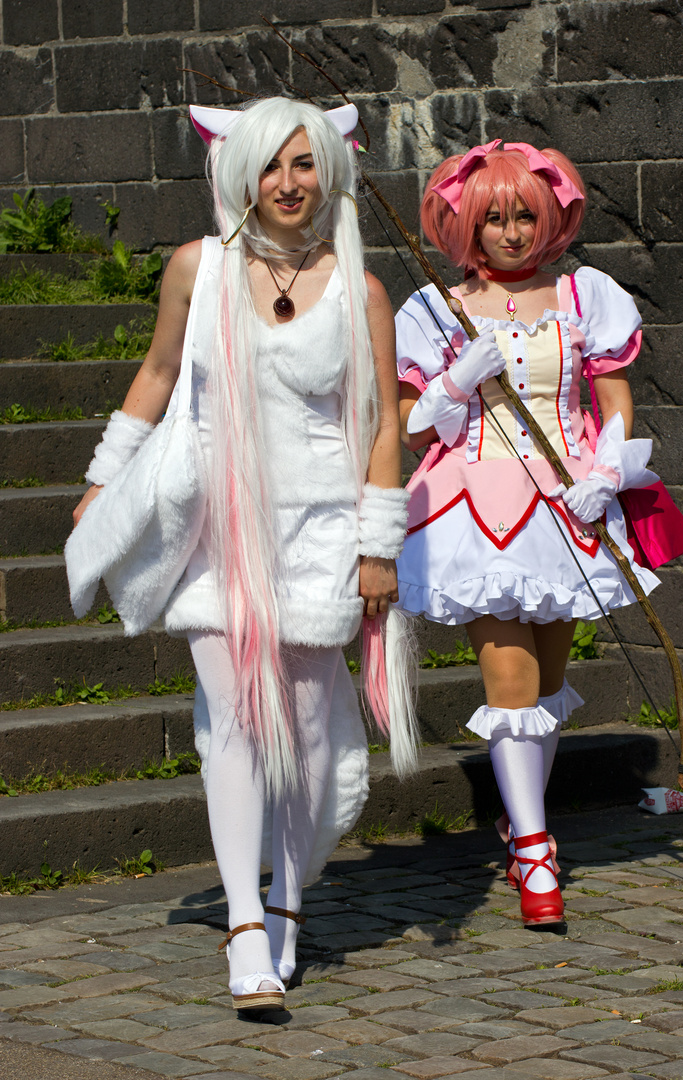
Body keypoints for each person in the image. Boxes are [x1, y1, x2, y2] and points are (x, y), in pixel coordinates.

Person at [71, 97, 416, 1008]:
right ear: (242, 173)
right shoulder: (200, 269)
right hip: (219, 530)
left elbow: (383, 423)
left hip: (319, 532)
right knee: (231, 721)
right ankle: (243, 924)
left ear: (329, 169)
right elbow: (155, 373)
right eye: (272, 165)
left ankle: (291, 904)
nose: (288, 183)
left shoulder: (361, 287)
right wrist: (106, 481)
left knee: (303, 736)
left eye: (304, 164)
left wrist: (379, 546)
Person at [394, 139, 659, 927]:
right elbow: (413, 429)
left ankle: (519, 825)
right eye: (493, 218)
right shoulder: (435, 310)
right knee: (508, 683)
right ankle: (538, 856)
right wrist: (455, 381)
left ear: (549, 217)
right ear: (465, 225)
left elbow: (612, 398)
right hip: (474, 506)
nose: (510, 233)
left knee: (545, 685)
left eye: (523, 216)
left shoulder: (585, 295)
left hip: (566, 504)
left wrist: (607, 473)